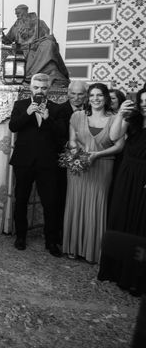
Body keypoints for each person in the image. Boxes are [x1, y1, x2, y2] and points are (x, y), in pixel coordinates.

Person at [62, 83, 124, 263]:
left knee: (97, 205)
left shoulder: (114, 119)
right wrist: (77, 152)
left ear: (106, 98)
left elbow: (119, 146)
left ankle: (92, 251)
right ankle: (72, 247)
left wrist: (96, 155)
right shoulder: (77, 116)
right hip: (79, 168)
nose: (95, 99)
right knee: (76, 203)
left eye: (99, 95)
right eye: (92, 96)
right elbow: (72, 140)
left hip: (102, 167)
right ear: (88, 98)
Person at [9, 73, 67, 256]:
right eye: (36, 87)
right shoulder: (20, 105)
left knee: (50, 202)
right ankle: (20, 236)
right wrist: (28, 113)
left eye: (43, 88)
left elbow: (62, 134)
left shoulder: (57, 109)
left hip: (48, 163)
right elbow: (13, 127)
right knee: (21, 200)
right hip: (23, 161)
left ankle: (51, 241)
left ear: (48, 89)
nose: (39, 91)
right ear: (31, 88)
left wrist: (48, 118)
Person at [98, 88, 146, 294]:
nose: (144, 104)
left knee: (140, 225)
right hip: (127, 173)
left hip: (144, 175)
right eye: (142, 101)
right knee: (120, 217)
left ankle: (136, 278)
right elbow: (113, 135)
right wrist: (120, 114)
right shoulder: (134, 118)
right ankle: (114, 271)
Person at [2, 4, 70, 87]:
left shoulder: (39, 23)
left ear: (26, 11)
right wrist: (1, 35)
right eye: (16, 14)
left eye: (19, 14)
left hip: (35, 52)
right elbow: (8, 40)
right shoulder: (16, 25)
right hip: (21, 53)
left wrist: (44, 40)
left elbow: (48, 36)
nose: (18, 16)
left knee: (49, 45)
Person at [56, 80, 88, 235]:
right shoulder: (59, 110)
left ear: (86, 95)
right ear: (68, 93)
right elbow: (55, 136)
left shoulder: (92, 110)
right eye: (73, 93)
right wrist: (71, 146)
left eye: (80, 93)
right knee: (63, 198)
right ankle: (63, 233)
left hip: (89, 161)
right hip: (65, 162)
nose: (76, 97)